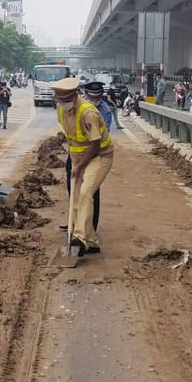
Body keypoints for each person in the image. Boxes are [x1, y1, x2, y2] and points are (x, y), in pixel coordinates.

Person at [55, 77, 114, 256]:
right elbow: (72, 137)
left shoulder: (88, 113)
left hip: (100, 156)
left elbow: (95, 145)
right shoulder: (61, 110)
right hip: (78, 157)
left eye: (65, 100)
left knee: (86, 192)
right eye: (60, 100)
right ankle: (92, 241)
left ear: (75, 96)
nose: (62, 104)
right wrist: (74, 162)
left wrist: (80, 166)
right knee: (75, 196)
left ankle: (79, 238)